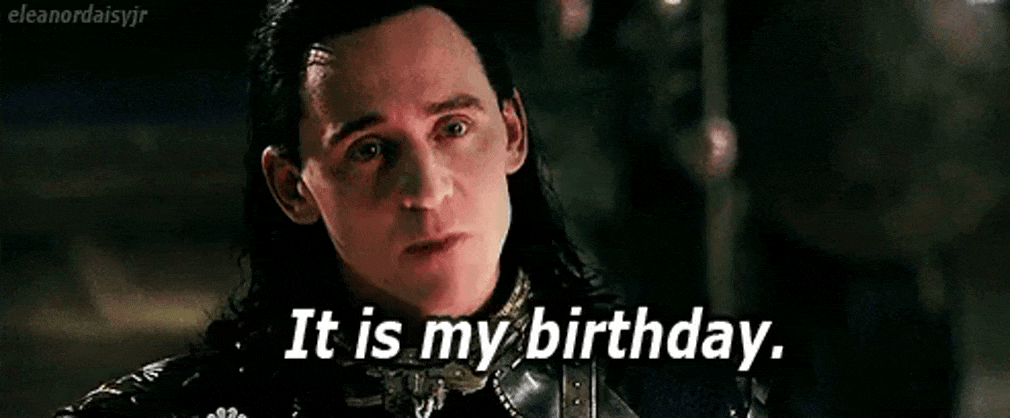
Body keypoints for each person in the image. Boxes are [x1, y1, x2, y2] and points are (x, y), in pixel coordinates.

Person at [55, 1, 752, 416]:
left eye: (453, 128)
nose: (426, 189)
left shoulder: (688, 400)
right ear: (293, 186)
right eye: (369, 150)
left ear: (512, 132)